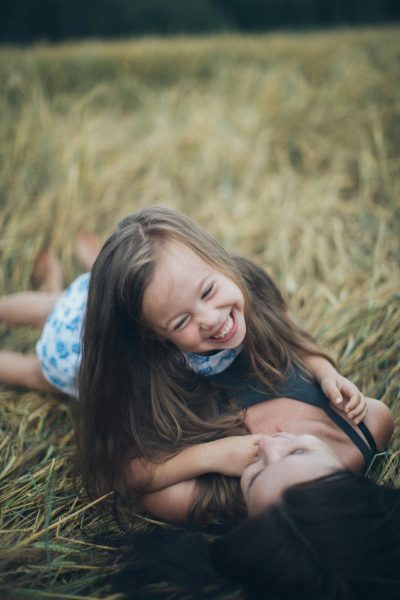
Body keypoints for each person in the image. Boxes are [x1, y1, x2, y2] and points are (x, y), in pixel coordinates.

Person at [0, 206, 393, 525]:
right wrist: (328, 373)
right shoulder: (178, 340)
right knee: (55, 308)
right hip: (82, 329)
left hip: (82, 353)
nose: (209, 319)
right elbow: (294, 336)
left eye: (207, 292)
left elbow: (126, 473)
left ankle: (76, 281)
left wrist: (215, 455)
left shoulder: (220, 495)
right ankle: (64, 286)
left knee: (37, 372)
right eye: (182, 320)